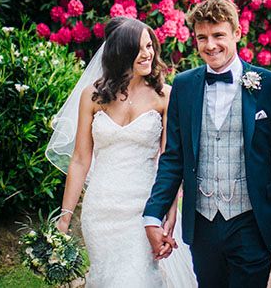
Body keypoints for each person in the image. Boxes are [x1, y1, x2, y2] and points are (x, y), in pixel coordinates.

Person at [144, 0, 271, 288]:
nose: (210, 45)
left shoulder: (270, 86)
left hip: (252, 224)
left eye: (218, 35)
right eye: (202, 38)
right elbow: (174, 158)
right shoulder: (184, 86)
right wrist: (153, 215)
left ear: (237, 33)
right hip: (202, 227)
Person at [49, 16, 197, 287]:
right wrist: (64, 219)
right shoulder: (92, 96)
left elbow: (170, 161)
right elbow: (81, 160)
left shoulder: (165, 96)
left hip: (144, 208)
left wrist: (170, 212)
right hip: (100, 211)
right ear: (121, 52)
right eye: (139, 48)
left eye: (150, 46)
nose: (147, 53)